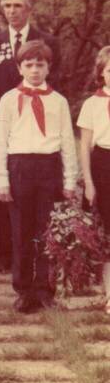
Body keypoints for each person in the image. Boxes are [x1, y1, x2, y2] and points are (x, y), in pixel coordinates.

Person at [0, 0, 60, 272]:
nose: (12, 12)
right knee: (4, 193)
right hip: (3, 127)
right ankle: (6, 255)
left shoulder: (47, 41)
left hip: (38, 132)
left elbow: (56, 82)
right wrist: (2, 115)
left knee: (39, 206)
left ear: (29, 9)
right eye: (8, 6)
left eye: (18, 6)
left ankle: (39, 258)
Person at [0, 40, 77, 313]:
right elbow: (0, 143)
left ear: (48, 68)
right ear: (19, 68)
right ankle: (23, 289)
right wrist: (2, 179)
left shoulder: (58, 101)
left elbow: (67, 141)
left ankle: (44, 289)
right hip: (19, 168)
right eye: (29, 65)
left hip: (48, 168)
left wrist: (69, 181)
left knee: (47, 232)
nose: (35, 70)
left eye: (40, 65)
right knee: (21, 232)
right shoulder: (8, 100)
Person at [78, 46, 110, 313]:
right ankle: (109, 293)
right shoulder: (92, 104)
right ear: (102, 73)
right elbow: (85, 146)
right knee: (106, 231)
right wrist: (88, 182)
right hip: (103, 164)